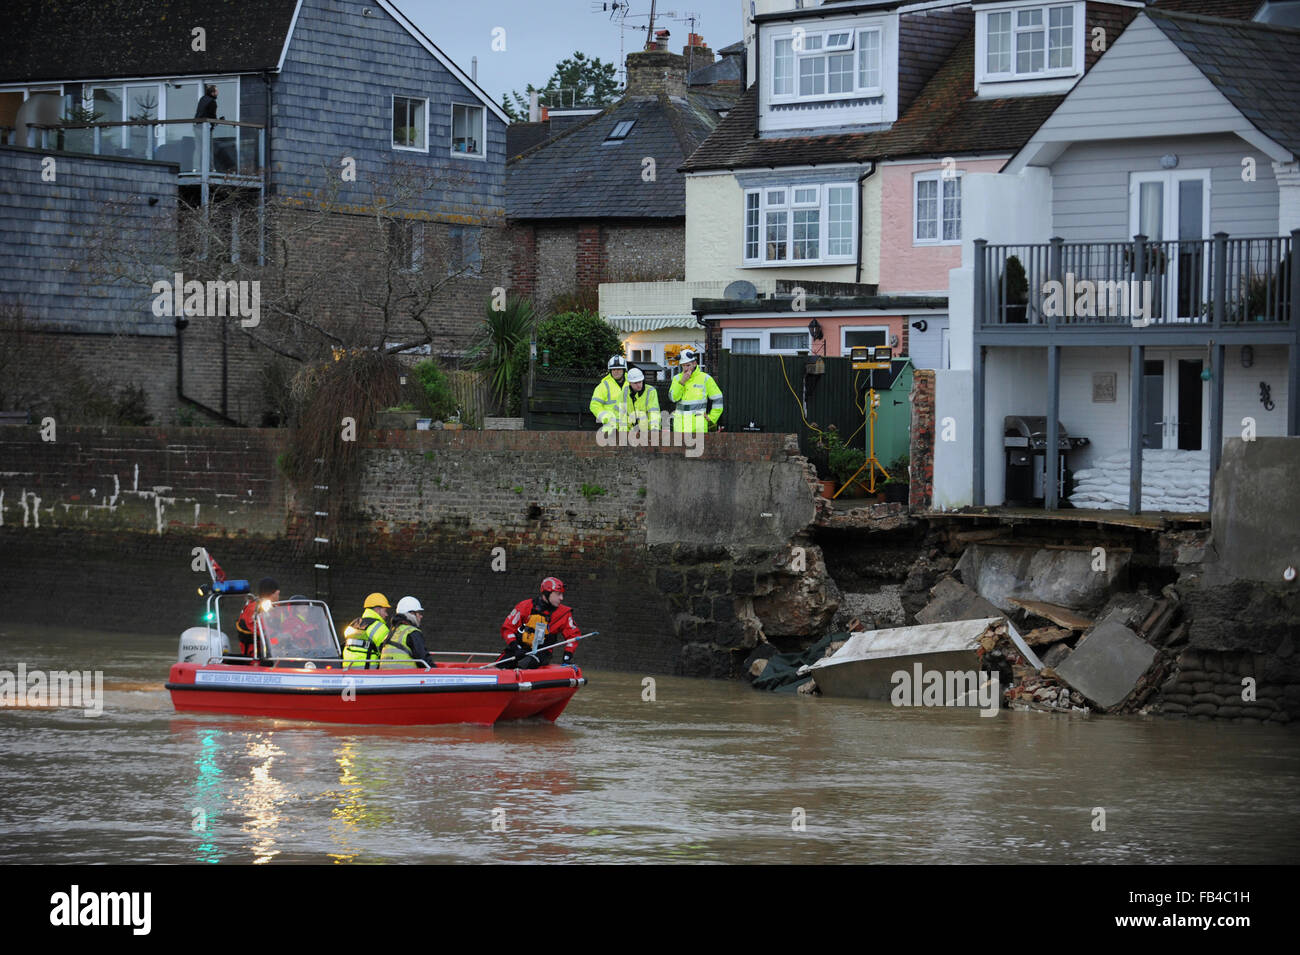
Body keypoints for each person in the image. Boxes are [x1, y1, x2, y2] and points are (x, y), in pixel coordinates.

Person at [498, 577, 581, 670]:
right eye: (558, 594)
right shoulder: (525, 606)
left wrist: (567, 658)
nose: (561, 598)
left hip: (542, 652)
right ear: (547, 593)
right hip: (519, 649)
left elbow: (573, 636)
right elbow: (508, 628)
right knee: (499, 665)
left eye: (562, 594)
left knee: (525, 663)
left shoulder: (564, 613)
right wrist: (515, 647)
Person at [669, 347, 723, 433]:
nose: (686, 368)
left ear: (694, 363)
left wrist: (712, 417)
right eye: (683, 365)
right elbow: (673, 398)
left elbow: (718, 398)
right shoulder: (677, 378)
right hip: (680, 427)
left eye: (688, 365)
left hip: (698, 427)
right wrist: (682, 382)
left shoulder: (705, 378)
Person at [380, 596, 437, 668]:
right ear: (412, 613)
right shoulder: (412, 633)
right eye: (419, 613)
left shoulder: (390, 633)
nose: (421, 616)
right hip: (406, 676)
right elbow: (424, 659)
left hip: (385, 676)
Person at [342, 593, 392, 670]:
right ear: (377, 609)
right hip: (368, 673)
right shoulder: (380, 628)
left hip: (347, 670)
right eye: (385, 610)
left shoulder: (353, 623)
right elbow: (387, 655)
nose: (386, 614)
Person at [235, 577, 279, 658]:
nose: (278, 593)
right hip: (256, 654)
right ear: (271, 593)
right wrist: (279, 637)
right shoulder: (254, 608)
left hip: (273, 649)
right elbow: (262, 630)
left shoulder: (275, 607)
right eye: (277, 592)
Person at [589, 356, 628, 434]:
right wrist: (606, 417)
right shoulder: (603, 386)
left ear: (624, 370)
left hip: (630, 427)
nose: (616, 371)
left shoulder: (632, 383)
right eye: (613, 369)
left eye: (619, 369)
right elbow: (594, 405)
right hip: (610, 429)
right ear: (610, 371)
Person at [620, 367, 661, 432]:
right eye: (635, 383)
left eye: (640, 382)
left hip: (647, 430)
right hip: (629, 430)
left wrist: (654, 429)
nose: (639, 385)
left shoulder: (650, 391)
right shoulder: (625, 391)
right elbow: (621, 413)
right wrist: (623, 431)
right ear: (630, 383)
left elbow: (654, 412)